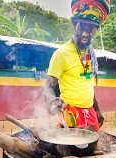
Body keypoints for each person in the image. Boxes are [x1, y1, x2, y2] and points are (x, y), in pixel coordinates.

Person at [44, 0, 110, 131]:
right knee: (71, 150)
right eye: (82, 27)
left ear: (95, 31)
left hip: (89, 112)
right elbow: (48, 86)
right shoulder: (61, 54)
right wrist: (52, 101)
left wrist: (96, 109)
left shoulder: (90, 53)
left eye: (90, 29)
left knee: (93, 147)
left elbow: (87, 83)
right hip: (70, 114)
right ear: (75, 25)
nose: (85, 33)